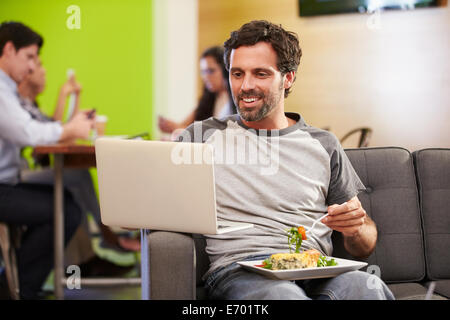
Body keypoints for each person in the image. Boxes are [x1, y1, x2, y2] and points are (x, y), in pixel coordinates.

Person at [177, 20, 394, 300]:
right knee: (283, 296)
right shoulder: (201, 137)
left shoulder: (323, 144)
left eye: (261, 74)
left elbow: (363, 244)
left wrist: (356, 228)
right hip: (241, 271)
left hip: (315, 269)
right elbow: (157, 202)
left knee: (364, 288)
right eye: (237, 73)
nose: (246, 86)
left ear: (288, 77)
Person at [0, 21, 91, 299]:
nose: (32, 67)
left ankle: (18, 283)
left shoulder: (8, 91)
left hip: (8, 183)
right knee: (65, 210)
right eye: (29, 57)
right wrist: (68, 130)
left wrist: (66, 127)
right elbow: (27, 132)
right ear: (8, 49)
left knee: (64, 201)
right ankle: (16, 288)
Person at [17, 57, 141, 253]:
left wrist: (75, 98)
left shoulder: (30, 106)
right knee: (80, 176)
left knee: (75, 183)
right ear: (25, 75)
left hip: (26, 172)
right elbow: (55, 137)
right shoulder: (19, 107)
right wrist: (62, 96)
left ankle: (87, 258)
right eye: (37, 64)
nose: (43, 70)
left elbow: (60, 129)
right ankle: (106, 233)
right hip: (17, 177)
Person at [158, 46, 236, 135]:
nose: (206, 77)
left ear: (225, 70)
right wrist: (172, 126)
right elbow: (184, 125)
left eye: (211, 71)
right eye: (203, 72)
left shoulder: (234, 99)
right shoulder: (206, 100)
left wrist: (177, 128)